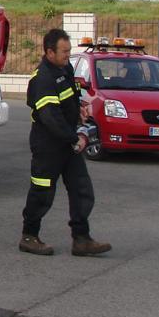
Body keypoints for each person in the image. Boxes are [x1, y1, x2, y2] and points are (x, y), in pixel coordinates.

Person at [19, 28, 112, 257]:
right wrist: (75, 138)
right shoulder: (42, 78)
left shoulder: (65, 68)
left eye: (69, 51)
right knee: (42, 192)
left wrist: (80, 108)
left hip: (68, 143)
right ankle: (29, 237)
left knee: (82, 189)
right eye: (64, 52)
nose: (68, 55)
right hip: (48, 145)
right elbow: (50, 117)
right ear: (49, 52)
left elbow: (70, 96)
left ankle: (81, 239)